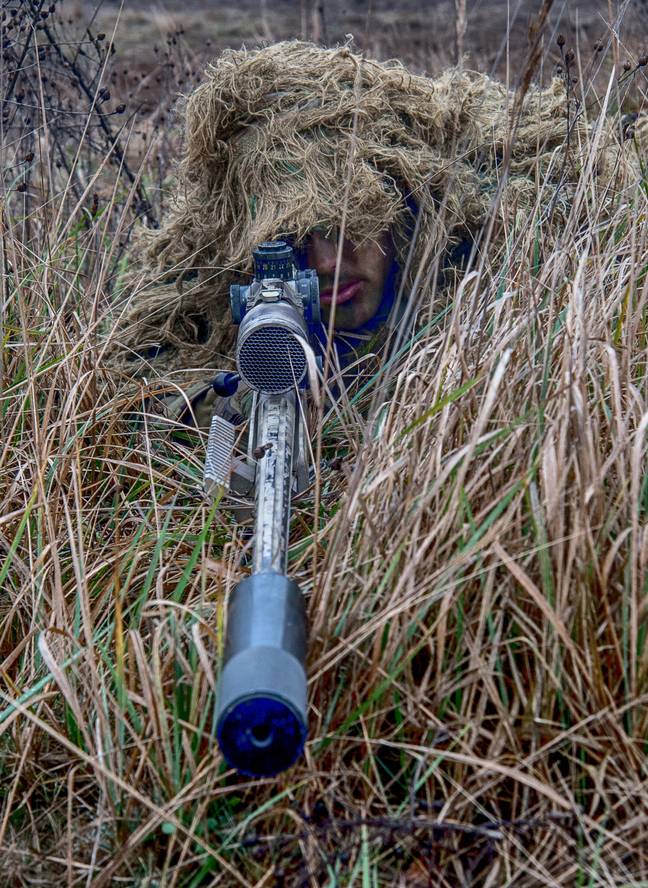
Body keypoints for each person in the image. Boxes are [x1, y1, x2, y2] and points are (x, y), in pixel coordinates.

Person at [108, 40, 643, 430]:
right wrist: (233, 402)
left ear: (401, 212)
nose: (324, 261)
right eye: (294, 238)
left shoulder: (480, 278)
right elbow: (139, 390)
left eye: (350, 226)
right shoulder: (212, 280)